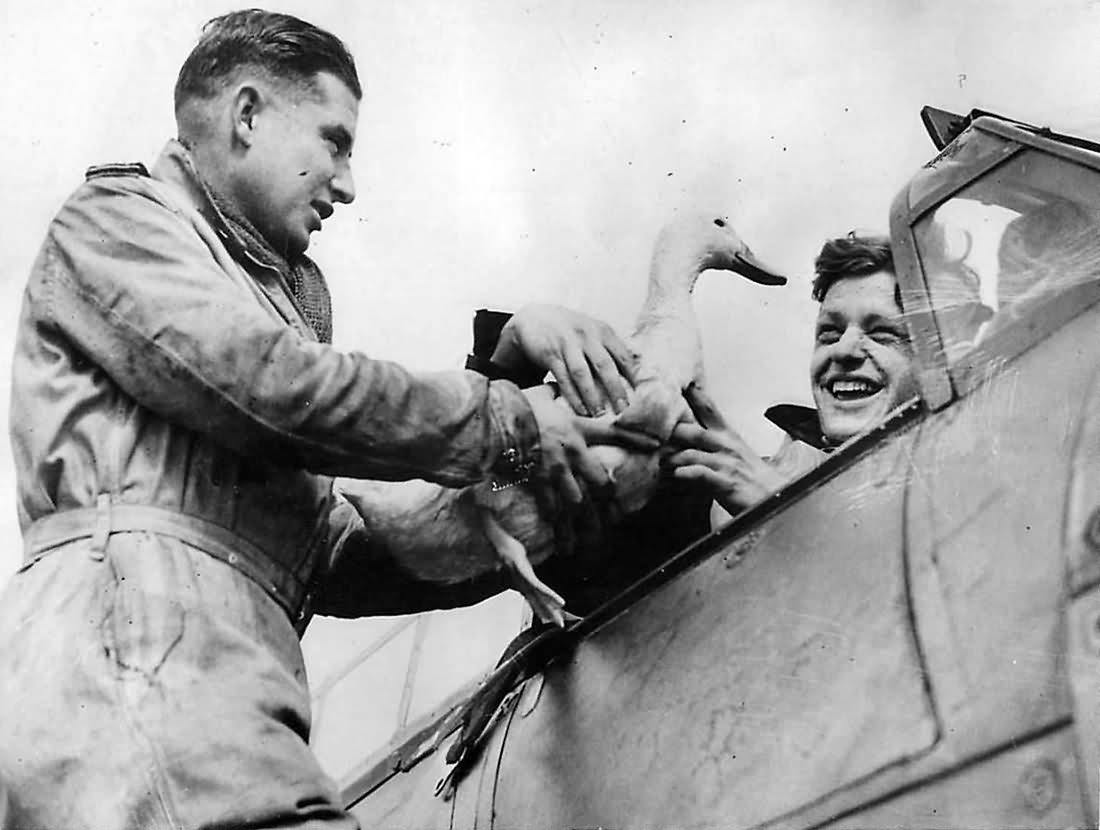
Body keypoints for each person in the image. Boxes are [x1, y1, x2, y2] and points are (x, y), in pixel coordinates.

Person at [0, 10, 651, 829]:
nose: (347, 184)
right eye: (335, 142)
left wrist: (534, 468)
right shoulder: (117, 221)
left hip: (200, 700)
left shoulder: (264, 293)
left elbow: (333, 551)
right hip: (136, 681)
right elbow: (268, 385)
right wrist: (505, 424)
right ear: (246, 115)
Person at [665, 233, 919, 524]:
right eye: (829, 334)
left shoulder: (968, 484)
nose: (842, 350)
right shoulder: (739, 488)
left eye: (881, 334)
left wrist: (783, 511)